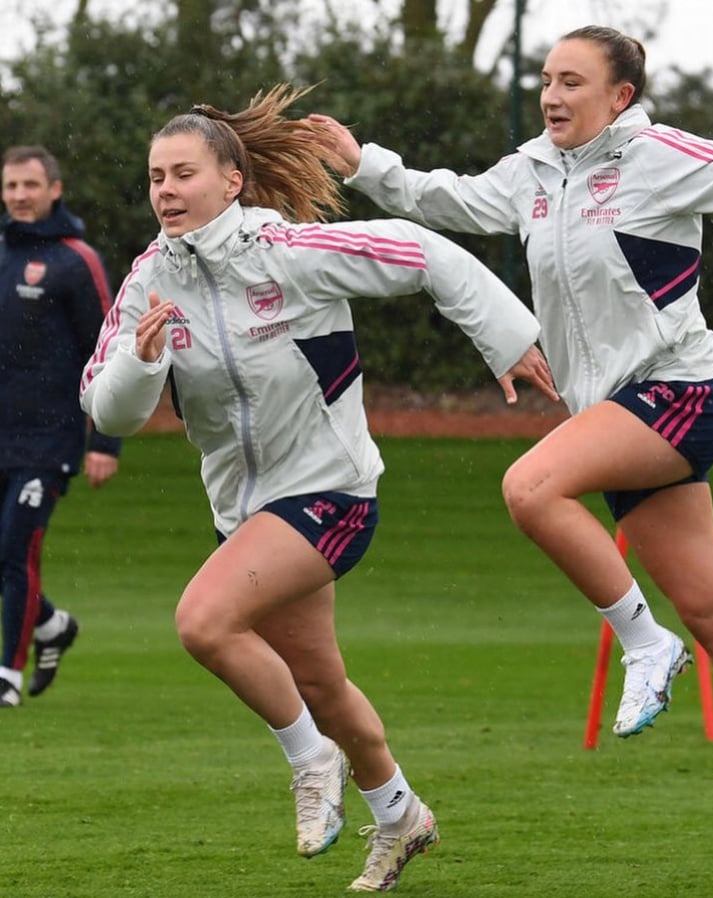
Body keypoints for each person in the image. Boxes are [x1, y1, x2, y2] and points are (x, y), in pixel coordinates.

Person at [311, 25, 713, 879]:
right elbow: (456, 202)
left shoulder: (656, 155)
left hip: (680, 394)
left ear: (620, 96)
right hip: (620, 415)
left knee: (531, 486)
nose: (552, 95)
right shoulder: (532, 170)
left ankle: (645, 646)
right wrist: (365, 163)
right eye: (547, 79)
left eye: (572, 82)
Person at [79, 84, 555, 891]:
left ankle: (310, 763)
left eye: (183, 173)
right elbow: (107, 409)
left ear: (231, 181)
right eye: (156, 176)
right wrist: (142, 361)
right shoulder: (149, 281)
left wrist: (507, 338)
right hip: (247, 515)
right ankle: (402, 814)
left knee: (203, 621)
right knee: (321, 685)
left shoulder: (289, 250)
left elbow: (422, 251)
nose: (165, 190)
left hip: (331, 493)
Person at [0, 145, 120, 709]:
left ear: (54, 189)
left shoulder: (77, 260)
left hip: (48, 440)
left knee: (16, 547)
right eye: (10, 186)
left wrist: (107, 441)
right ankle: (51, 626)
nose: (19, 196)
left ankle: (7, 674)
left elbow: (110, 349)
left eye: (29, 185)